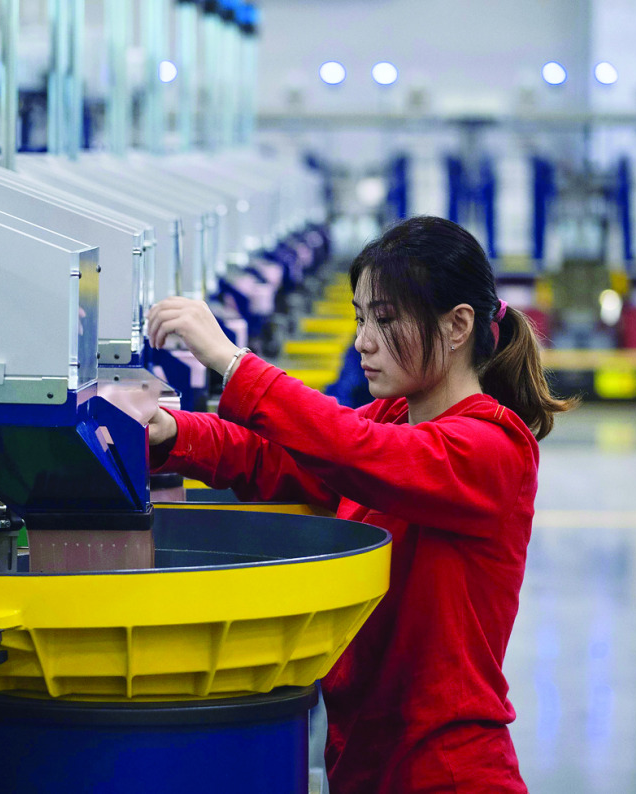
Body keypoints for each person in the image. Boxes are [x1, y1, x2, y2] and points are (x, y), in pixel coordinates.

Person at [143, 216, 575, 793]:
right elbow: (279, 457)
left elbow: (355, 451)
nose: (363, 340)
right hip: (369, 759)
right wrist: (171, 433)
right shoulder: (396, 419)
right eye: (361, 317)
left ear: (457, 326)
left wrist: (232, 362)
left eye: (386, 319)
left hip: (446, 768)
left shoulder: (492, 446)